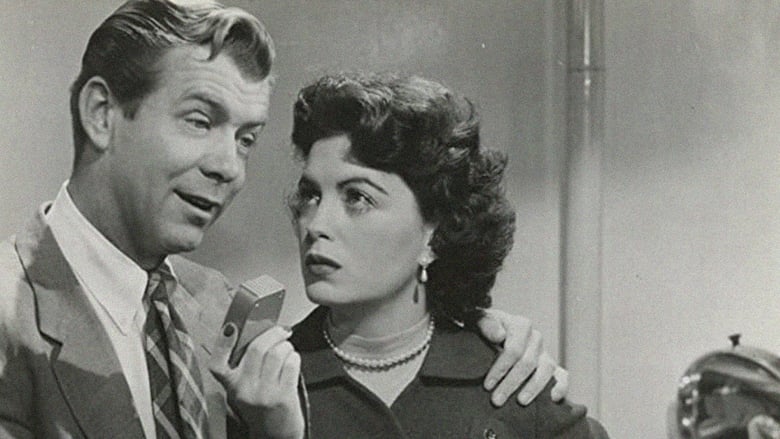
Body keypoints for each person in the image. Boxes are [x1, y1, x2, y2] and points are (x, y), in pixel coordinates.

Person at [0, 1, 568, 438]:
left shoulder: (221, 312)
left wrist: (484, 335)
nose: (229, 167)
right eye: (199, 120)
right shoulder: (9, 316)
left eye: (246, 139)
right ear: (102, 114)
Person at [212, 72, 610, 438]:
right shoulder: (263, 387)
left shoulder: (507, 378)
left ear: (434, 233)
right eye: (311, 195)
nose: (316, 224)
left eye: (357, 197)